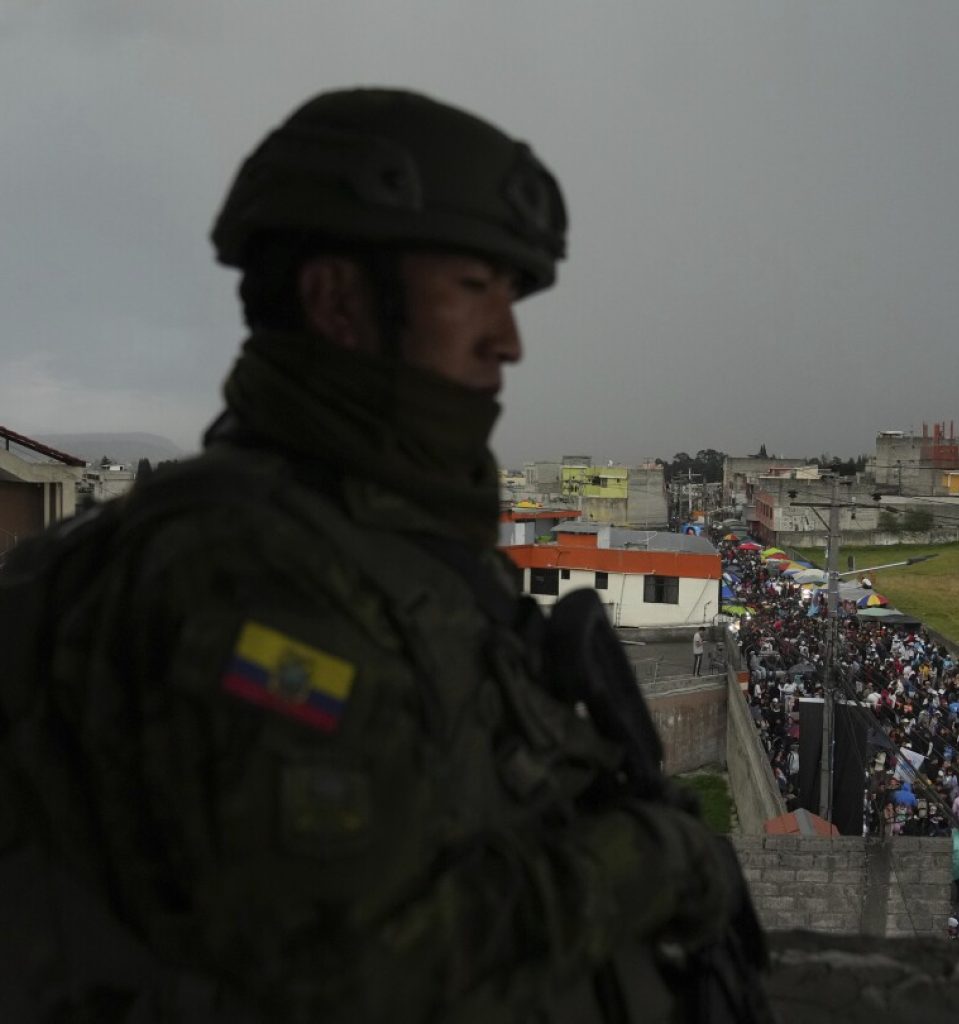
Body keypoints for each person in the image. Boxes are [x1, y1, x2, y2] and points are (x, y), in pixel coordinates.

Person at [0, 89, 771, 1022]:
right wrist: (652, 862)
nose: (509, 338)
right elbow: (352, 963)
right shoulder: (243, 574)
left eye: (512, 295)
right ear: (337, 301)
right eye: (473, 289)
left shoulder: (390, 544)